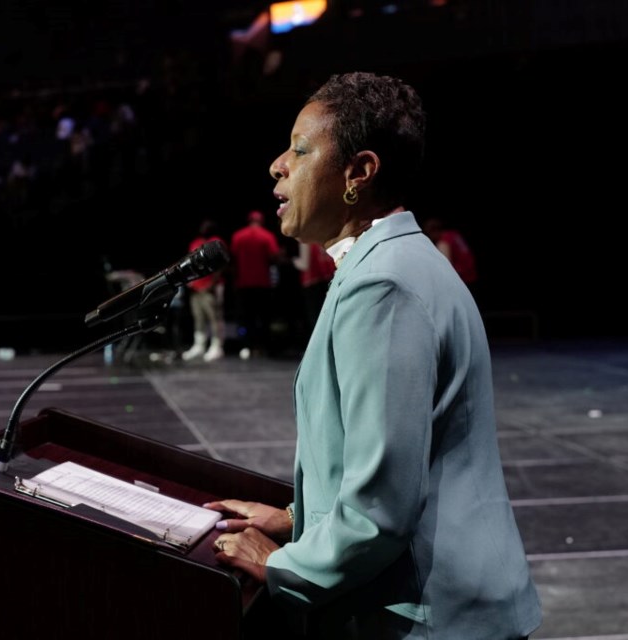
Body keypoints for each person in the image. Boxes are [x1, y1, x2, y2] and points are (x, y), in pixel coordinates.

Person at [203, 71, 541, 639]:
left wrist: (281, 564)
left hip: (431, 617)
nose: (277, 164)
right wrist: (296, 519)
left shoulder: (382, 284)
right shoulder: (388, 264)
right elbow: (397, 460)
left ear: (358, 172)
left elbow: (380, 507)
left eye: (301, 149)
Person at [229, 210, 280, 359]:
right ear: (261, 221)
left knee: (246, 317)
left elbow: (233, 260)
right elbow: (274, 257)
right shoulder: (267, 236)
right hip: (262, 283)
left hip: (243, 283)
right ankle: (262, 347)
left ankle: (246, 347)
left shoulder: (238, 236)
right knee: (263, 318)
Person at [181, 219, 227, 362]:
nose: (204, 228)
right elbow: (188, 263)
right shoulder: (195, 242)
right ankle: (199, 345)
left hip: (211, 287)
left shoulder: (217, 242)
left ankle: (217, 346)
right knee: (198, 317)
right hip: (196, 288)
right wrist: (189, 281)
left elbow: (221, 266)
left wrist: (212, 285)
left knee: (214, 317)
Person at [292, 241, 336, 335]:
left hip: (312, 282)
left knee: (315, 317)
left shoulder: (305, 241)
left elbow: (304, 264)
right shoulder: (321, 238)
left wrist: (292, 260)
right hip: (329, 279)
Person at [422, 216, 478, 290]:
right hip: (472, 274)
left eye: (428, 233)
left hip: (464, 280)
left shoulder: (443, 242)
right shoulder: (453, 234)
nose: (430, 238)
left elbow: (446, 267)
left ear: (434, 231)